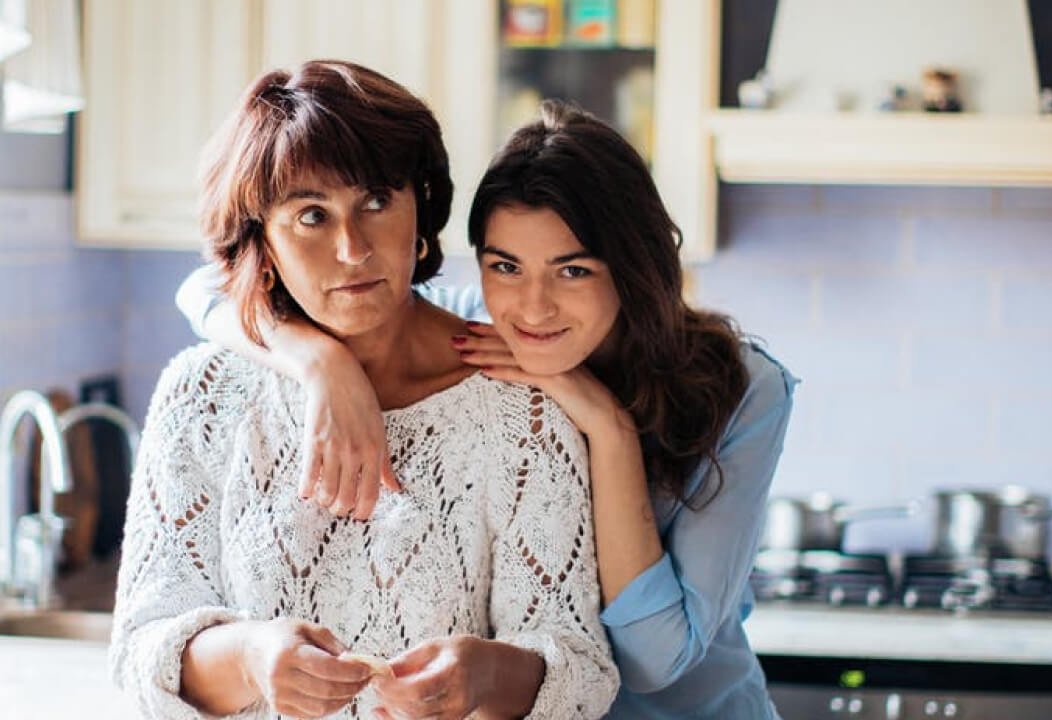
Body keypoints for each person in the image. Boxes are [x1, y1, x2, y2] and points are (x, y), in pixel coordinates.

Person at [178, 100, 797, 718]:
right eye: (504, 265)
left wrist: (607, 427)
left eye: (573, 270)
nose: (533, 308)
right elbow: (205, 288)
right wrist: (320, 364)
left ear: (634, 268)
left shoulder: (742, 387)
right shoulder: (474, 326)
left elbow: (652, 659)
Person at [111, 61, 618, 720]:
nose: (352, 248)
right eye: (311, 215)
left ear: (422, 207)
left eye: (376, 201)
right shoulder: (202, 396)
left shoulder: (521, 405)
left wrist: (486, 677)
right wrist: (249, 658)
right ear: (261, 235)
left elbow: (582, 667)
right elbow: (138, 657)